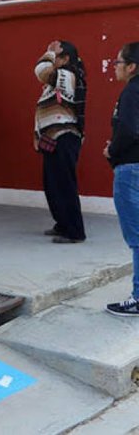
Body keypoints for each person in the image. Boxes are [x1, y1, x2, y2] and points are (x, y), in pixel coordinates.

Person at [34, 41, 87, 244]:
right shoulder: (58, 79)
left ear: (65, 59)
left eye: (56, 55)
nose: (51, 58)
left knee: (64, 186)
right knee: (53, 185)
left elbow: (41, 70)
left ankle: (74, 231)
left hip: (64, 137)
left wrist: (48, 52)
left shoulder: (67, 75)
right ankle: (62, 224)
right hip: (53, 138)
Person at [104, 42, 139, 316]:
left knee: (136, 236)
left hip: (130, 169)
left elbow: (128, 130)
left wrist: (112, 150)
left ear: (131, 66)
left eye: (118, 62)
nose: (115, 66)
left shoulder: (131, 92)